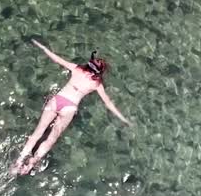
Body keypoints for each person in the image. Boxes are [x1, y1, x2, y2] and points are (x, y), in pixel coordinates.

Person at [11, 39, 131, 176]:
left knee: (37, 133)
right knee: (51, 138)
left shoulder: (76, 68)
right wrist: (123, 118)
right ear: (98, 73)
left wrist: (42, 46)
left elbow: (56, 59)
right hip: (69, 108)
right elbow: (108, 103)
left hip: (57, 100)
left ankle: (19, 162)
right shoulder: (97, 84)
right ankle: (31, 163)